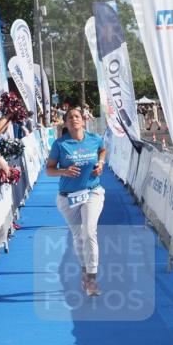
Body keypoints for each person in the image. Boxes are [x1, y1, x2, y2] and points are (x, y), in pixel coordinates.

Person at [47, 107, 107, 297]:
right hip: (68, 196)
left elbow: (103, 149)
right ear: (65, 123)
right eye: (70, 117)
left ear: (83, 120)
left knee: (89, 231)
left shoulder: (94, 139)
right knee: (78, 236)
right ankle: (84, 271)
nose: (74, 119)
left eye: (77, 116)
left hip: (92, 192)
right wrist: (64, 171)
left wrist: (101, 163)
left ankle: (92, 278)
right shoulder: (60, 144)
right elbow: (49, 170)